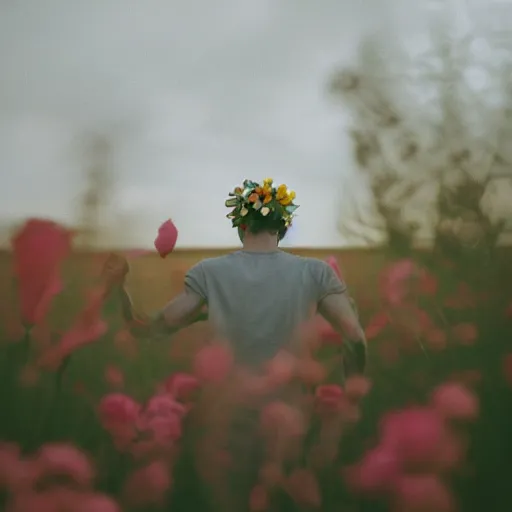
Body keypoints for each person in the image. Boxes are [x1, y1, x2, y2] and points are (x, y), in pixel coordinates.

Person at [102, 177, 366, 373]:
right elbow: (354, 335)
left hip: (226, 418)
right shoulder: (317, 272)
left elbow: (147, 328)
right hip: (294, 420)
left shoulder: (208, 273)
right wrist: (350, 395)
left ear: (241, 225)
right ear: (283, 227)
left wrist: (119, 287)